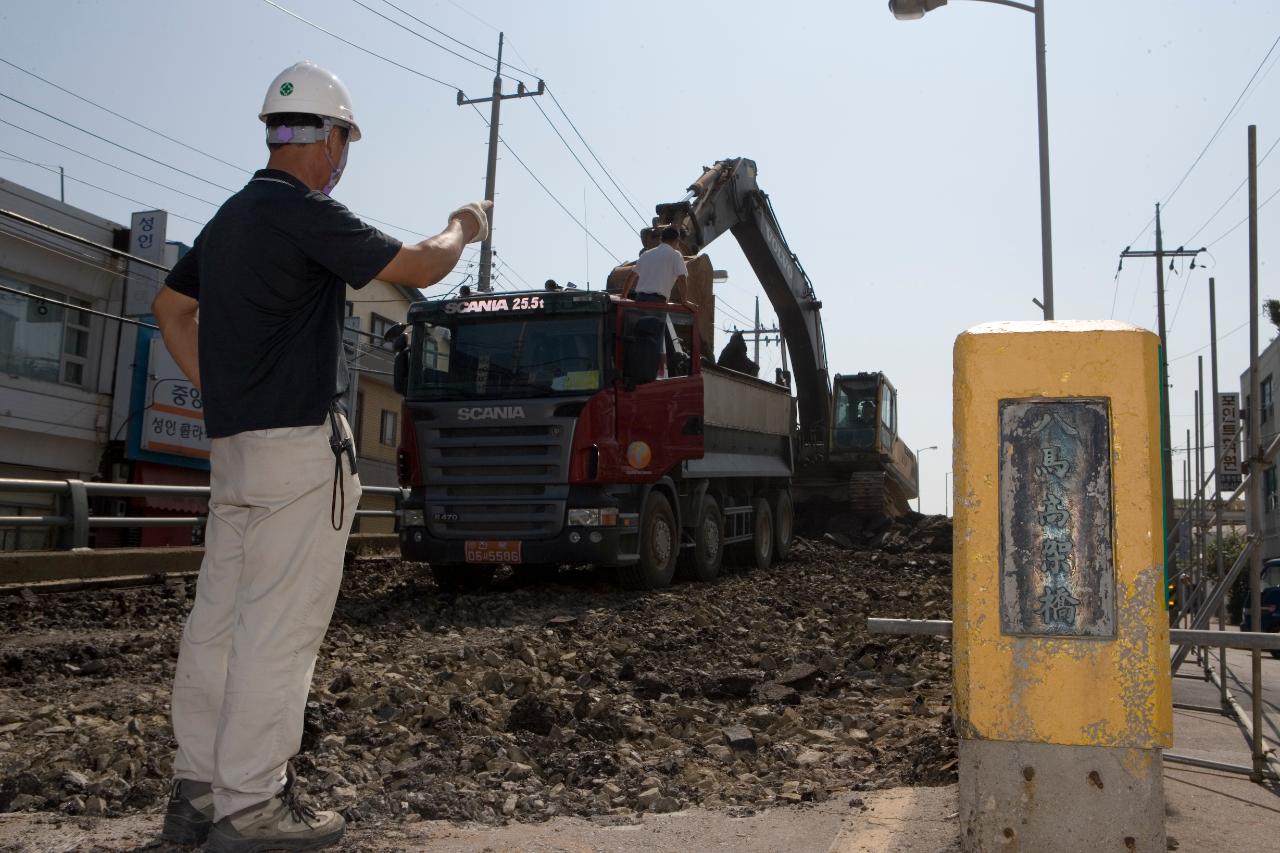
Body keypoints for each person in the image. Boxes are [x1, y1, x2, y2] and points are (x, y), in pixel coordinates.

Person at [152, 60, 490, 852]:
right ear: (330, 140)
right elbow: (420, 265)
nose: (340, 159)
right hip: (299, 450)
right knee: (280, 626)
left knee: (219, 623)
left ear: (276, 130)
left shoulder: (231, 218)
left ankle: (197, 792)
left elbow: (170, 308)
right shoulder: (305, 213)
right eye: (343, 141)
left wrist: (225, 390)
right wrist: (463, 224)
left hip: (234, 452)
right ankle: (252, 806)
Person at [622, 226, 693, 307]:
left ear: (661, 239)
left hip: (639, 300)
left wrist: (624, 296)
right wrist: (684, 301)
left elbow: (631, 276)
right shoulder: (675, 255)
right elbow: (682, 279)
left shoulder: (646, 254)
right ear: (677, 240)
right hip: (657, 301)